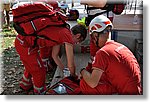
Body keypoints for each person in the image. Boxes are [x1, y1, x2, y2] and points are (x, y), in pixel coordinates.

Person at [14, 2, 87, 94]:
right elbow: (71, 64)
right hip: (25, 45)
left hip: (25, 43)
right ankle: (40, 92)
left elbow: (54, 55)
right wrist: (73, 76)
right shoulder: (67, 36)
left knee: (32, 66)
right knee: (39, 71)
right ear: (78, 35)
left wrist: (64, 69)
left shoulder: (62, 30)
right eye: (78, 41)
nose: (76, 43)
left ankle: (25, 85)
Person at [79, 15, 142, 95]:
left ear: (95, 36)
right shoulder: (121, 46)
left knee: (85, 84)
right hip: (136, 92)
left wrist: (82, 71)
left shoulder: (103, 52)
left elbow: (92, 83)